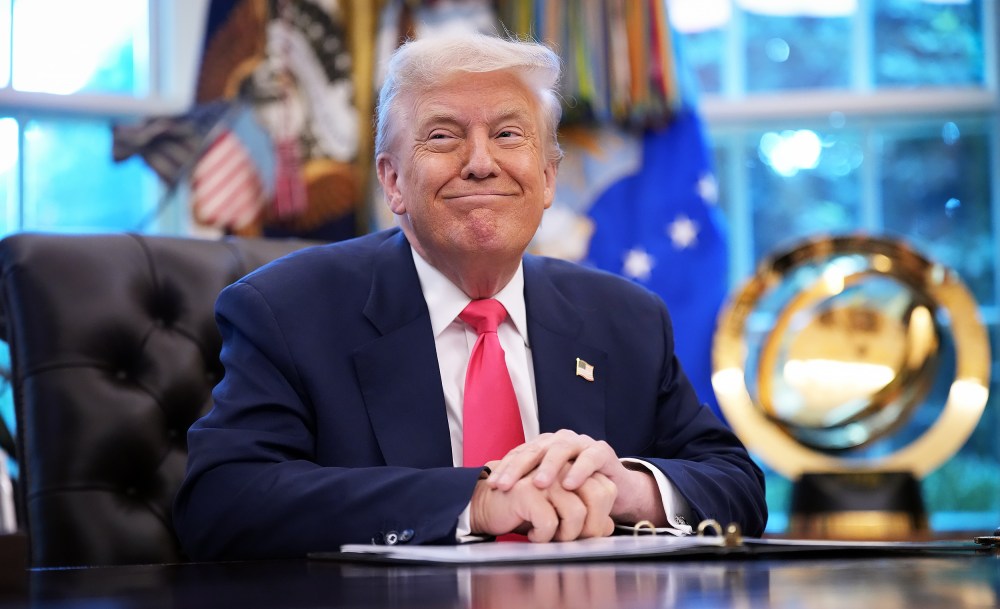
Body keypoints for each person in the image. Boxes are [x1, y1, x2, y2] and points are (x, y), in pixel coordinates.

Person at [173, 32, 767, 560]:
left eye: (508, 134)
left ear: (548, 178)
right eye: (442, 136)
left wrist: (628, 485)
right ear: (393, 180)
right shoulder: (286, 310)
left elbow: (736, 483)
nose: (481, 163)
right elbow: (222, 501)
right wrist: (474, 501)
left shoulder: (626, 318)